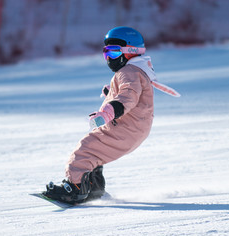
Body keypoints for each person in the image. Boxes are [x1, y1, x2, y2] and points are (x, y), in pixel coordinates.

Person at [43, 26, 179, 204]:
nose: (109, 58)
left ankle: (75, 188)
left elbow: (127, 97)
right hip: (134, 129)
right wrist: (111, 92)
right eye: (106, 53)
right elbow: (130, 92)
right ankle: (94, 189)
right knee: (95, 153)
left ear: (130, 52)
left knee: (86, 148)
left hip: (125, 127)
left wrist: (107, 113)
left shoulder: (128, 72)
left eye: (114, 53)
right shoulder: (136, 71)